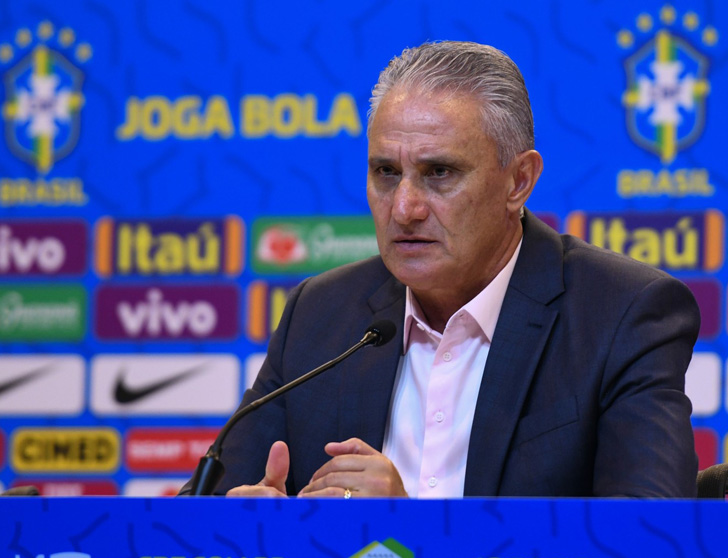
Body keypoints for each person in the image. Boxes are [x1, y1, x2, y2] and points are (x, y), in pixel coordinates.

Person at [182, 40, 700, 499]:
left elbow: (649, 539)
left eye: (439, 172)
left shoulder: (620, 314)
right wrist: (253, 525)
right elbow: (197, 516)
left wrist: (409, 530)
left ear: (519, 181)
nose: (404, 207)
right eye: (386, 172)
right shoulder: (320, 315)